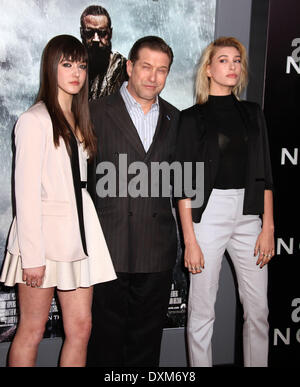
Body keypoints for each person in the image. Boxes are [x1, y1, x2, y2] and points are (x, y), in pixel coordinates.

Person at [0, 34, 116, 367]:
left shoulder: (80, 120)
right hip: (43, 241)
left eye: (81, 65)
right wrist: (32, 257)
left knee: (81, 328)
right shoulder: (33, 120)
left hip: (79, 235)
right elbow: (25, 193)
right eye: (67, 64)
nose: (76, 72)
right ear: (51, 68)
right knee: (32, 330)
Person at [176, 36, 274, 367]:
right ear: (208, 69)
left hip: (249, 215)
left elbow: (266, 173)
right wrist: (189, 239)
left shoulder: (252, 113)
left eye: (236, 61)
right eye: (223, 60)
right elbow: (184, 186)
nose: (232, 66)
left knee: (259, 309)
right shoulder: (191, 119)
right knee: (202, 310)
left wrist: (268, 226)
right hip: (208, 215)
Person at [86, 36, 179, 367]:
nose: (153, 77)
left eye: (162, 70)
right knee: (104, 347)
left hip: (156, 251)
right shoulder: (94, 112)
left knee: (146, 348)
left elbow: (181, 185)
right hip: (107, 249)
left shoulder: (175, 118)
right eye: (146, 67)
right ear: (129, 67)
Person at [80, 5, 128, 100]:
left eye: (102, 33)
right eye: (89, 33)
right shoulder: (71, 67)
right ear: (82, 33)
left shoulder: (124, 68)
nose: (96, 39)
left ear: (110, 33)